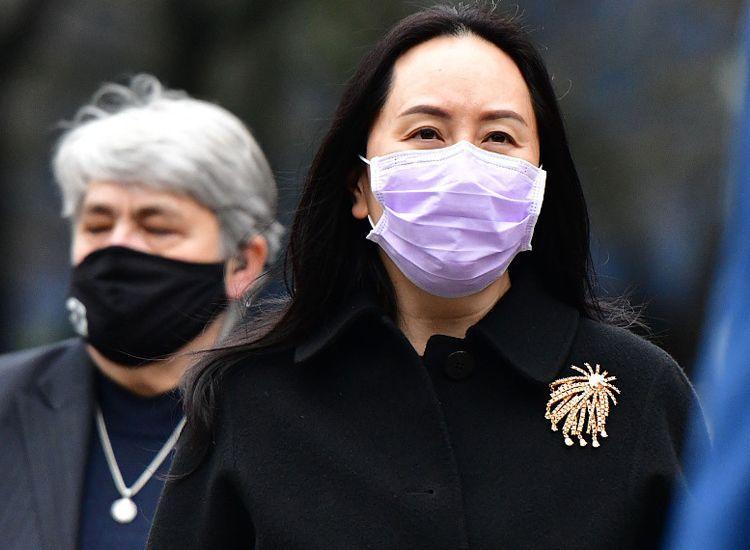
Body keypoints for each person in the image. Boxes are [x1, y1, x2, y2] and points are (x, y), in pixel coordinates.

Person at [148, 6, 707, 550]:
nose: (463, 165)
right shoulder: (251, 397)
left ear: (539, 185)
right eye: (426, 133)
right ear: (359, 186)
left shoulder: (641, 393)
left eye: (498, 137)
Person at [0, 74, 283, 550]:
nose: (119, 247)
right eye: (97, 224)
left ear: (243, 264)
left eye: (157, 227)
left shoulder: (298, 424)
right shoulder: (8, 402)